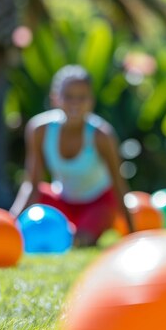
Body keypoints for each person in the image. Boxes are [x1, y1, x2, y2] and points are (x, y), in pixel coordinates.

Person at [10, 64, 134, 246]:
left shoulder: (102, 135)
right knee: (35, 224)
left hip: (98, 203)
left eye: (82, 97)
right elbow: (33, 184)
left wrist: (132, 234)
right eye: (68, 97)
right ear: (55, 98)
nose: (75, 103)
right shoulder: (39, 130)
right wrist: (11, 222)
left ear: (91, 100)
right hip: (62, 201)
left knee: (78, 241)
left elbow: (118, 184)